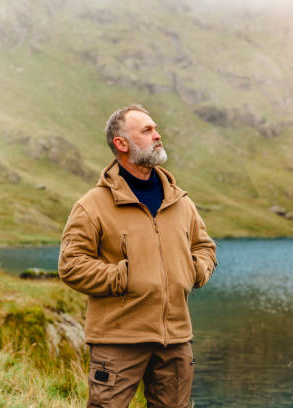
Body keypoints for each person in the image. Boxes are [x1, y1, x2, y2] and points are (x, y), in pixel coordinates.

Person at [58, 104, 217, 407]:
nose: (158, 135)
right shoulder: (92, 205)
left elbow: (205, 246)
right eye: (147, 131)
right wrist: (125, 276)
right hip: (117, 342)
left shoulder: (180, 201)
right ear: (121, 144)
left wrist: (194, 270)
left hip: (176, 339)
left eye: (156, 129)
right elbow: (71, 264)